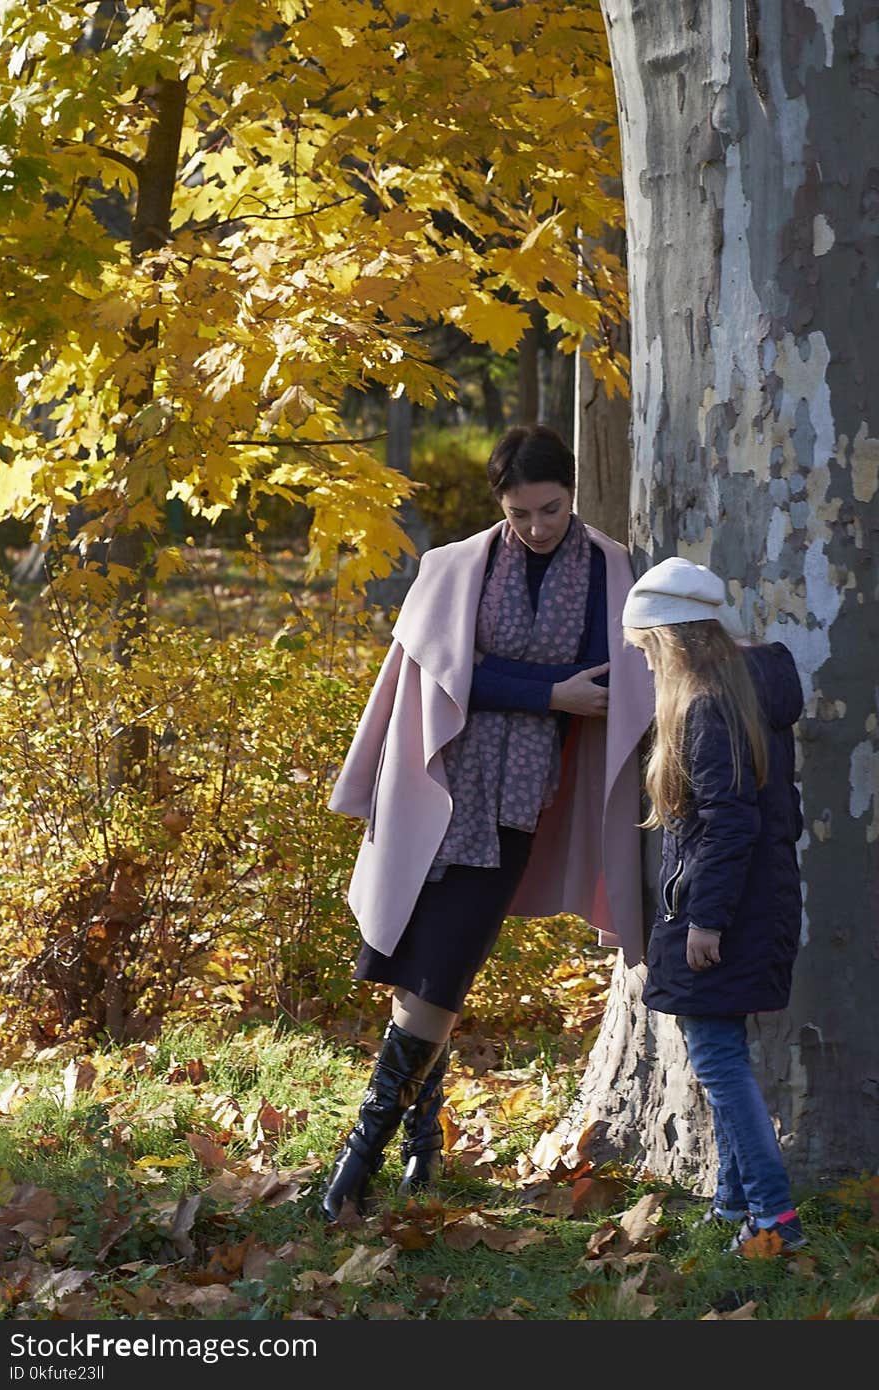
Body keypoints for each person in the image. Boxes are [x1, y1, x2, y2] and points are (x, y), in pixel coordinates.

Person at [322, 423, 654, 1221]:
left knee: (440, 969)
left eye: (550, 508)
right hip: (436, 790)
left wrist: (521, 685)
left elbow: (604, 674)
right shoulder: (458, 566)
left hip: (517, 803)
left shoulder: (608, 569)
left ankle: (354, 1166)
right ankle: (421, 1148)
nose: (537, 526)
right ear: (499, 505)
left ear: (571, 494)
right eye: (520, 513)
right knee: (420, 967)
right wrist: (547, 693)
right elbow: (447, 669)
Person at [621, 555, 807, 1253]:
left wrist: (704, 920)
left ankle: (773, 1219)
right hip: (759, 905)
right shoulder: (746, 691)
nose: (645, 667)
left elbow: (731, 823)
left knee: (721, 1064)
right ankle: (733, 1204)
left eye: (646, 651)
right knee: (721, 1052)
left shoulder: (707, 704)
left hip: (726, 914)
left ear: (670, 640)